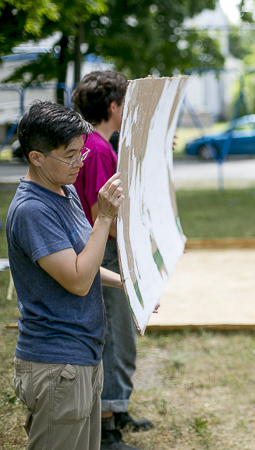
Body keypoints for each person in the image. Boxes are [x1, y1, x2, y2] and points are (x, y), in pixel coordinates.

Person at [8, 101, 124, 450]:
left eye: (81, 153)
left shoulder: (65, 189)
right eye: (70, 155)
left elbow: (81, 261)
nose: (79, 163)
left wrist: (126, 282)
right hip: (56, 363)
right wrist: (103, 218)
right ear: (36, 157)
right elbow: (76, 280)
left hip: (82, 355)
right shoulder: (32, 210)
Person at [71, 71, 153, 450]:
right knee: (113, 334)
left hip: (98, 247)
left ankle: (116, 409)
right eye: (126, 103)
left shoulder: (93, 144)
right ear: (113, 107)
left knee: (120, 332)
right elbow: (99, 211)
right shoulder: (99, 149)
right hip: (102, 250)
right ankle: (106, 427)